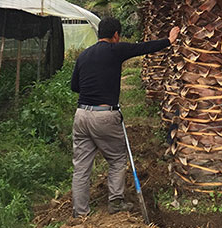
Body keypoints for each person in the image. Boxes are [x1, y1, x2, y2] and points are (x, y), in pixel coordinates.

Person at [70, 17, 180, 218]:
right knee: (117, 159)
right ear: (116, 36)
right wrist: (169, 41)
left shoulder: (84, 55)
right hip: (104, 116)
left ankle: (80, 212)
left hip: (81, 115)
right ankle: (116, 201)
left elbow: (74, 86)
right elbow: (143, 48)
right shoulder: (116, 50)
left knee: (82, 167)